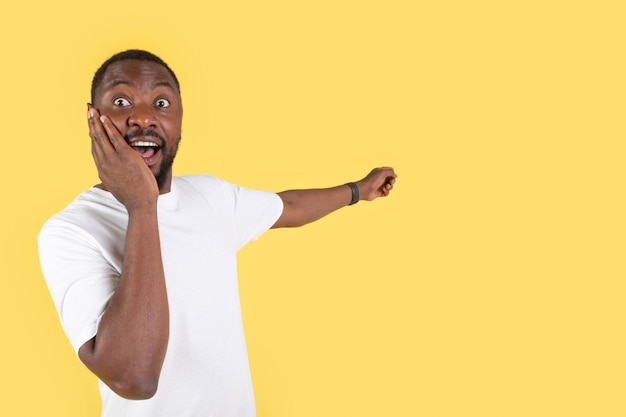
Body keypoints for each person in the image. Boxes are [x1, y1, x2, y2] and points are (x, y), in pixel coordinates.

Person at [38, 49, 397, 417]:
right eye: (121, 100)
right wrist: (143, 206)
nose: (143, 117)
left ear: (179, 119)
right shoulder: (70, 231)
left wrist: (358, 190)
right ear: (93, 118)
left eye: (161, 102)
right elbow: (135, 378)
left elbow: (288, 208)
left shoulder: (210, 196)